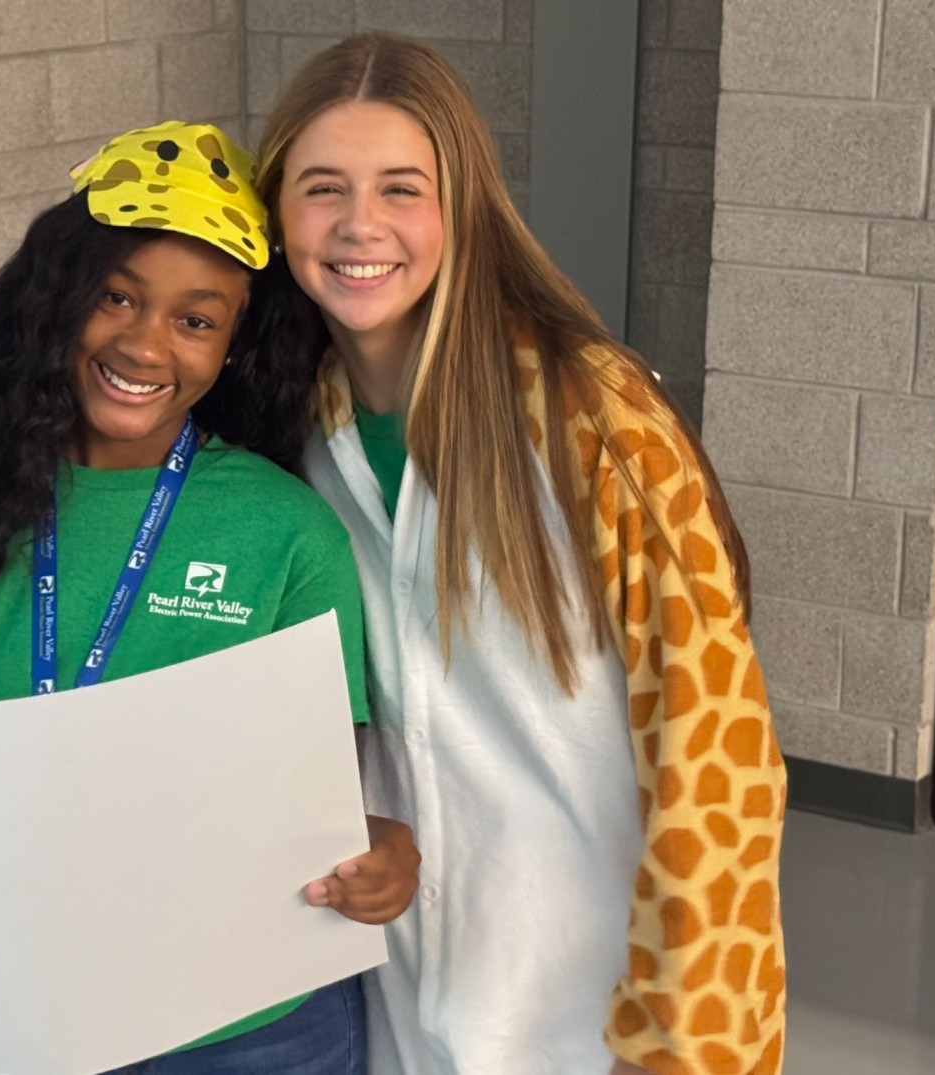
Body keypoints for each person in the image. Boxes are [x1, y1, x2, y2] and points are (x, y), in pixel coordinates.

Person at [254, 34, 789, 1075]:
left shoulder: (595, 415)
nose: (359, 225)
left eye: (401, 188)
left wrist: (692, 1033)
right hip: (393, 984)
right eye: (322, 188)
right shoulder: (288, 434)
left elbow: (711, 748)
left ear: (463, 208)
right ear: (278, 211)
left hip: (585, 1003)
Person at [0, 121, 418, 1075]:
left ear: (234, 345)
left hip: (245, 1027)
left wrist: (378, 850)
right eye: (116, 298)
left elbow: (325, 792)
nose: (147, 344)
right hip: (17, 1003)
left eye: (196, 320)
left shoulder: (285, 533)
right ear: (55, 303)